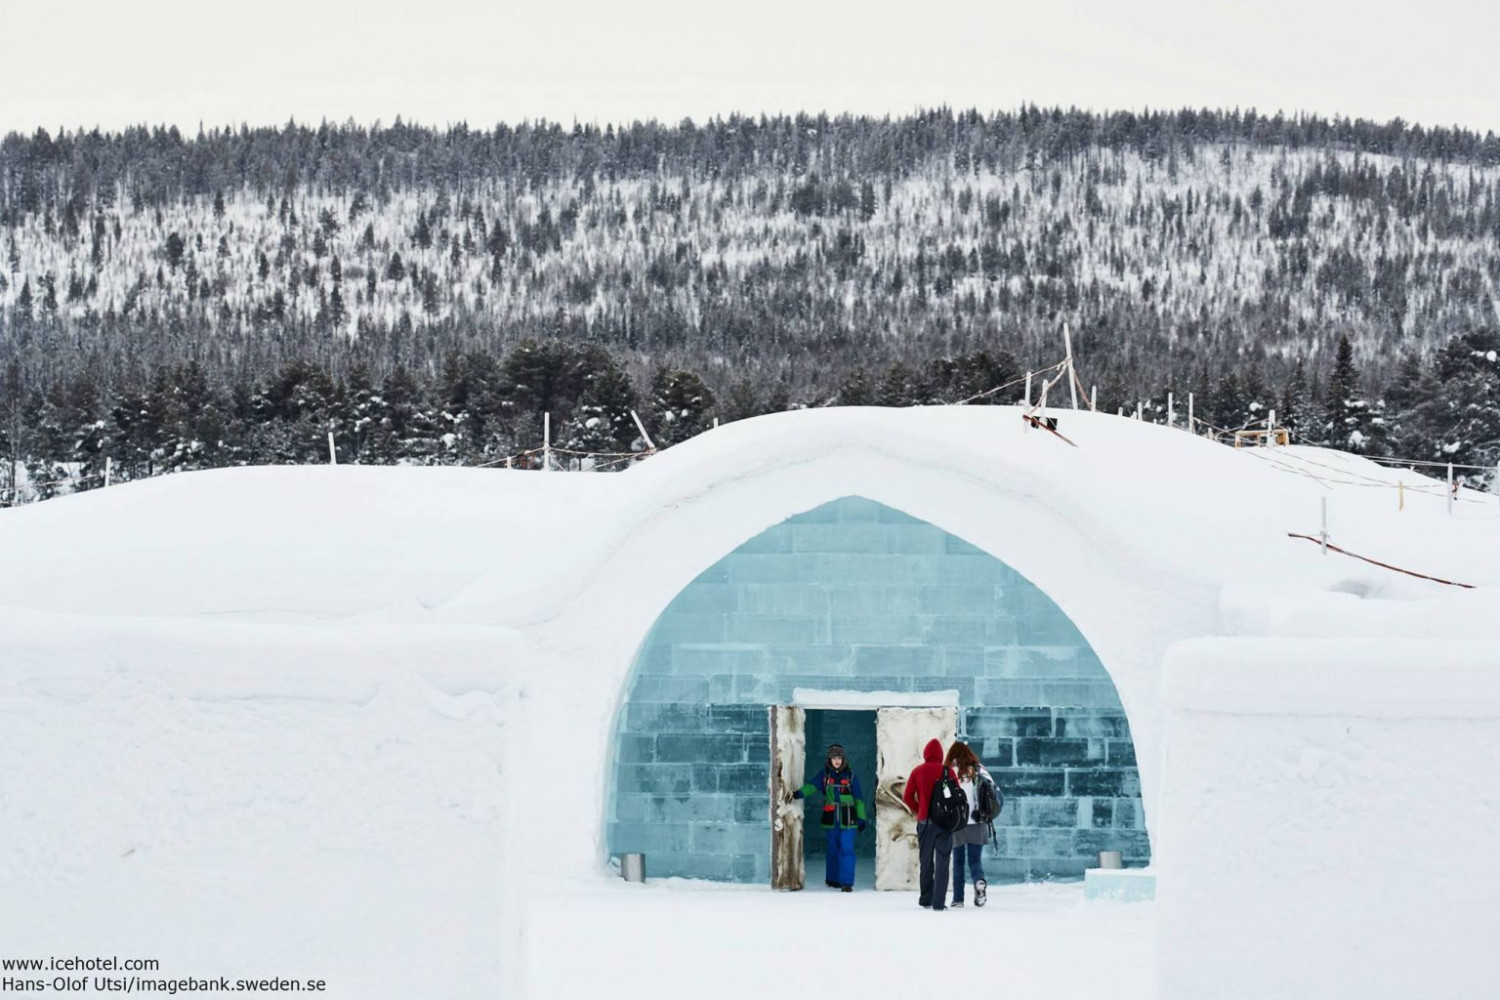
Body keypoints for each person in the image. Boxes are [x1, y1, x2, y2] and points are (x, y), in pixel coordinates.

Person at [792, 743, 867, 891]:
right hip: (831, 819)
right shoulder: (824, 775)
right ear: (830, 760)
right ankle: (833, 879)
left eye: (839, 758)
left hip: (848, 819)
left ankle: (846, 883)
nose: (837, 761)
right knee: (832, 848)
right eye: (834, 758)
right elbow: (812, 786)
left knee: (846, 848)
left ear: (843, 759)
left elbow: (859, 799)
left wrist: (861, 818)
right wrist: (799, 793)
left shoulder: (851, 776)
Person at [902, 738, 959, 911]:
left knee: (926, 861)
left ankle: (926, 897)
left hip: (925, 822)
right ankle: (938, 902)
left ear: (925, 754)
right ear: (941, 754)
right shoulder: (948, 772)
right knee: (943, 861)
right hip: (944, 823)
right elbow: (957, 796)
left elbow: (907, 796)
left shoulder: (918, 771)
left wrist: (919, 809)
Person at [945, 741, 992, 908]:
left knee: (958, 861)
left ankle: (958, 899)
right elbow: (993, 791)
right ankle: (979, 881)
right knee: (974, 860)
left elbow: (946, 797)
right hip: (978, 821)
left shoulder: (951, 772)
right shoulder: (979, 770)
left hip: (958, 822)